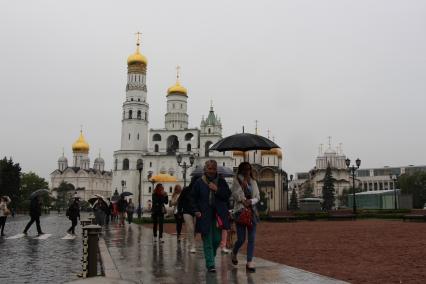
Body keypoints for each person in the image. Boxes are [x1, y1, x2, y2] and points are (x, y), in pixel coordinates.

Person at [191, 160, 231, 273]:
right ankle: (210, 264)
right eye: (209, 168)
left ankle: (210, 259)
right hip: (204, 215)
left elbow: (227, 195)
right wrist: (196, 210)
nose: (211, 171)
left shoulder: (221, 181)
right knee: (207, 240)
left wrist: (216, 189)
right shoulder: (199, 182)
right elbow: (192, 198)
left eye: (213, 168)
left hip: (218, 215)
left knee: (217, 240)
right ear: (205, 169)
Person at [231, 162, 260, 273]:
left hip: (252, 211)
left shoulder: (253, 181)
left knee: (252, 238)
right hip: (240, 211)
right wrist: (243, 199)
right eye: (245, 169)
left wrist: (251, 201)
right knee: (242, 239)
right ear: (241, 170)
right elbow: (234, 194)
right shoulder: (236, 181)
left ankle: (249, 262)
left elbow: (257, 196)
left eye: (248, 169)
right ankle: (234, 252)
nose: (247, 171)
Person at [178, 177, 198, 253]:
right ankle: (193, 245)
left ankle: (191, 241)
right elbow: (180, 200)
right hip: (187, 211)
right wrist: (180, 211)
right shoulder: (186, 190)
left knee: (195, 229)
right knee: (190, 228)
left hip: (196, 211)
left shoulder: (198, 191)